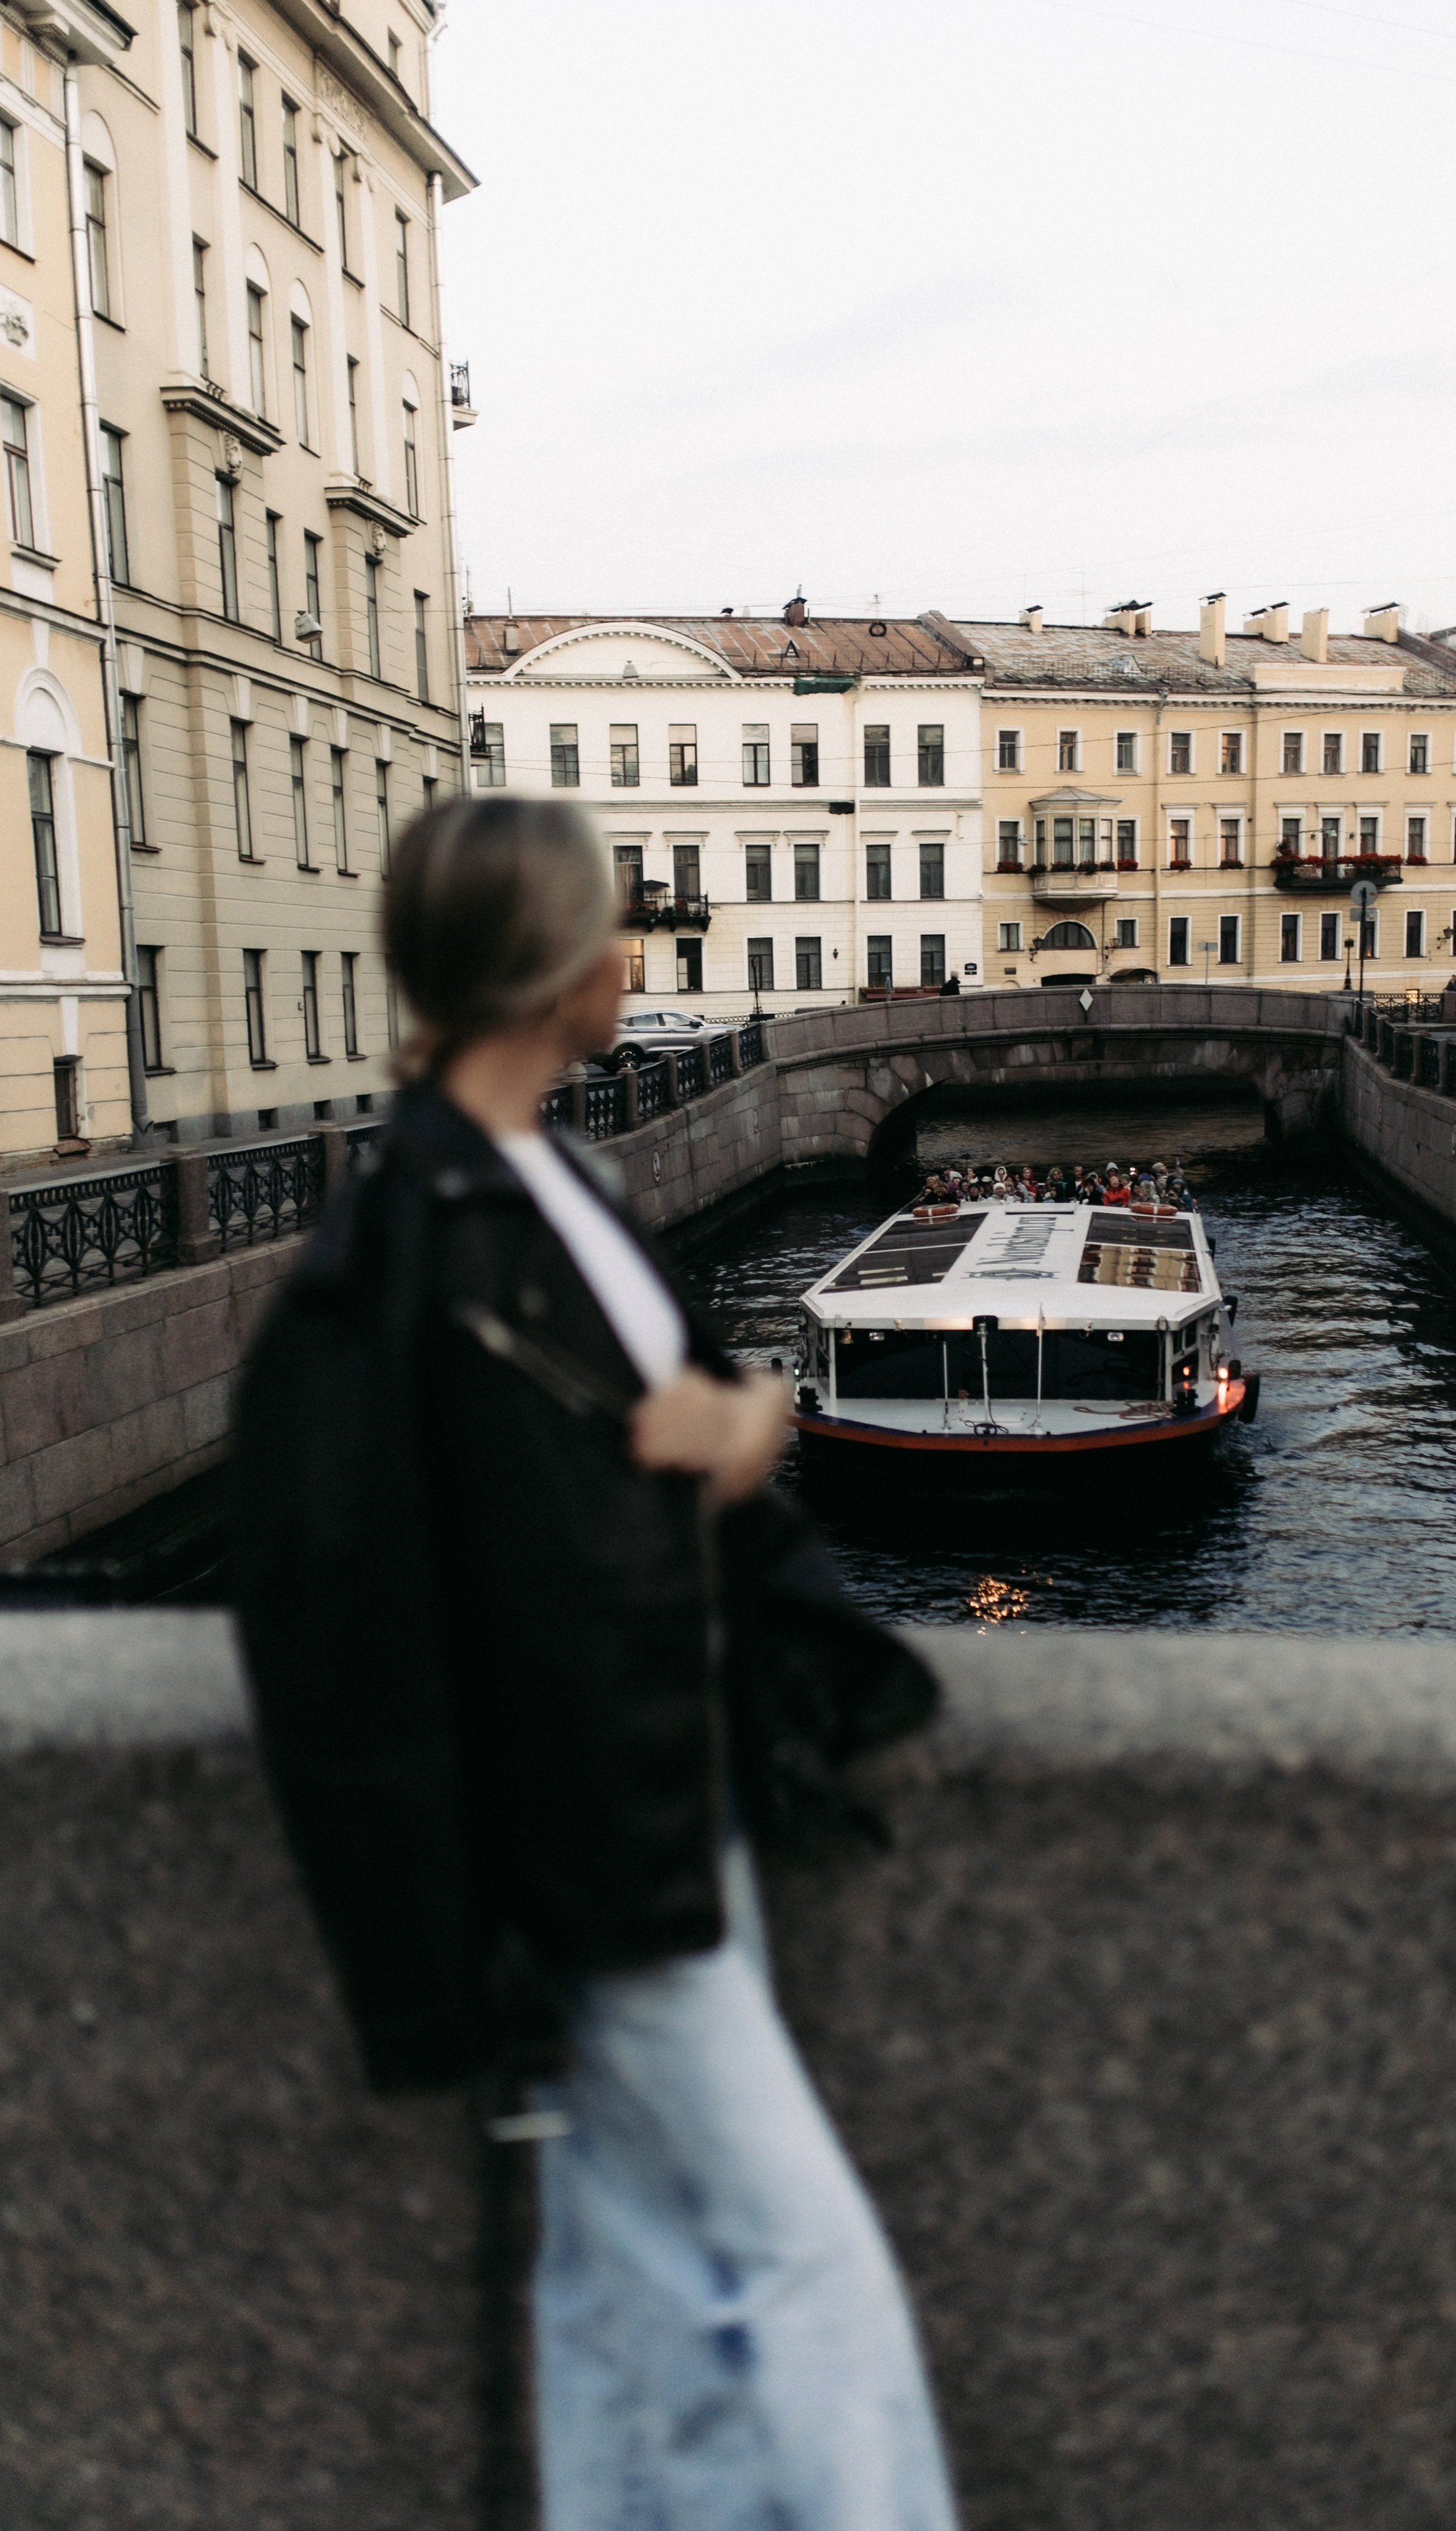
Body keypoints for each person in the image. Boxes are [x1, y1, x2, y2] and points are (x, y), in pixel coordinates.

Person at [233, 795, 958, 2531]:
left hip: (662, 1779)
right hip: (591, 1837)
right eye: (614, 930)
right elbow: (372, 1610)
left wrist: (729, 1425)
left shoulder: (545, 1183)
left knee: (615, 2277)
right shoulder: (399, 1254)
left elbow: (629, 1431)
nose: (636, 957)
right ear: (559, 972)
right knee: (809, 2268)